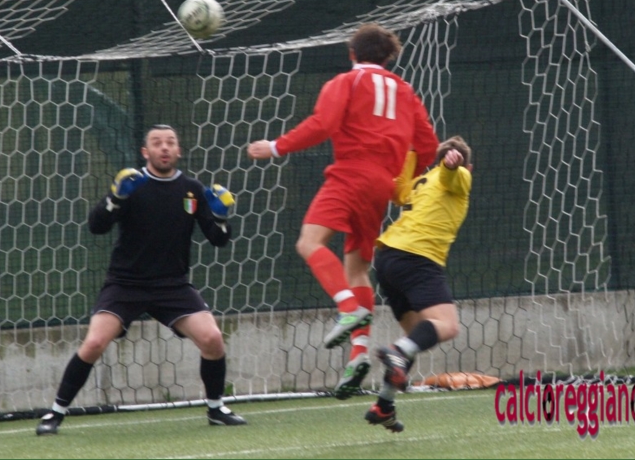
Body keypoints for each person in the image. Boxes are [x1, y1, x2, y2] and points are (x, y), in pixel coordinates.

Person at [247, 23, 439, 400]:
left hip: (350, 173)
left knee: (309, 243)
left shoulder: (346, 82)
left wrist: (275, 147)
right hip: (382, 184)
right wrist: (406, 180)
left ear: (352, 53)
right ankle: (358, 355)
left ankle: (348, 308)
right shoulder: (404, 90)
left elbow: (323, 124)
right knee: (357, 268)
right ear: (388, 58)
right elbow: (428, 144)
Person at [36, 124, 247, 435]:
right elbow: (96, 226)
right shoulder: (132, 185)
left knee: (212, 339)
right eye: (157, 143)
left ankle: (216, 409)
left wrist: (221, 218)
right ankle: (55, 413)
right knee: (93, 343)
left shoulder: (192, 189)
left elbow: (218, 239)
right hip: (126, 284)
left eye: (170, 142)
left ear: (178, 150)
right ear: (145, 152)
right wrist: (115, 198)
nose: (164, 147)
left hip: (173, 285)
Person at [365, 135, 473, 433]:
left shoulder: (421, 182)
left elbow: (397, 190)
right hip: (417, 257)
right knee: (447, 326)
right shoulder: (460, 177)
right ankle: (397, 352)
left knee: (415, 335)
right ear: (469, 167)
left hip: (387, 259)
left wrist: (411, 152)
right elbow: (453, 175)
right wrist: (453, 165)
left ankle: (384, 405)